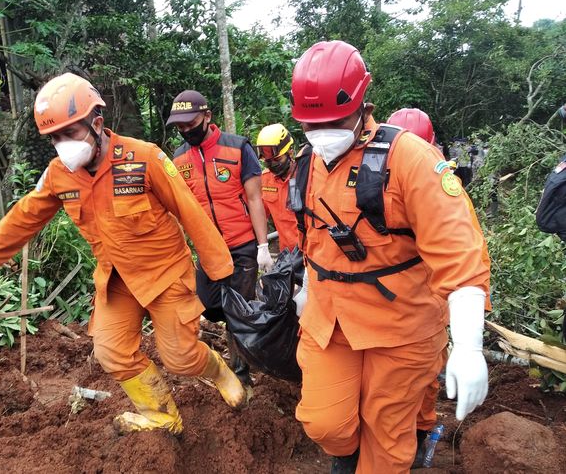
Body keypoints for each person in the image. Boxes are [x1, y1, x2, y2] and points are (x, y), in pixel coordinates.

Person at [0, 73, 246, 435]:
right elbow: (25, 216)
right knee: (112, 352)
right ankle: (161, 415)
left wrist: (222, 269)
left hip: (165, 274)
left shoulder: (145, 158)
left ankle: (219, 371)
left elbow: (190, 212)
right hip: (117, 279)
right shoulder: (59, 175)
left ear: (97, 123)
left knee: (181, 358)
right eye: (55, 138)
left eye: (70, 133)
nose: (64, 145)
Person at [290, 40, 490, 473]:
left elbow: (460, 253)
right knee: (325, 424)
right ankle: (349, 452)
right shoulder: (307, 163)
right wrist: (305, 291)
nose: (322, 132)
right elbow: (312, 238)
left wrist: (469, 346)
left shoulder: (411, 159)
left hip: (401, 326)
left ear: (364, 105)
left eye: (334, 120)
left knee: (386, 438)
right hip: (330, 322)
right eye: (310, 124)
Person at [388, 107, 493, 467]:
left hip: (431, 297)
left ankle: (420, 430)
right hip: (394, 299)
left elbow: (466, 252)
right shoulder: (382, 174)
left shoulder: (443, 185)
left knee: (428, 372)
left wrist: (467, 328)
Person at [167, 90, 273, 388]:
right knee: (211, 305)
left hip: (241, 244)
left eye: (190, 123)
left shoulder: (238, 148)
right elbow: (181, 206)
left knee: (236, 311)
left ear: (208, 116)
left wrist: (263, 246)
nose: (186, 130)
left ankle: (242, 375)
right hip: (208, 249)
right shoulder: (178, 158)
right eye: (180, 126)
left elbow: (254, 199)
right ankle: (250, 327)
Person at [254, 123, 300, 252]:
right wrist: (262, 247)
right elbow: (260, 215)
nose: (273, 165)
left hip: (312, 251)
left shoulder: (306, 176)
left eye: (277, 159)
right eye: (268, 161)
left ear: (290, 152)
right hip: (286, 254)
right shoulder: (265, 180)